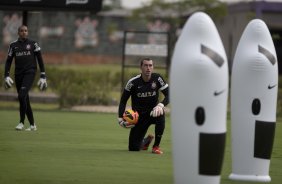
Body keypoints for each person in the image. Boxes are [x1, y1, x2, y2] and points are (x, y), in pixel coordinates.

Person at [118, 58, 169, 154]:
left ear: (153, 67)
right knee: (133, 148)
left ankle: (156, 146)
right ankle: (145, 142)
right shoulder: (133, 82)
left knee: (160, 112)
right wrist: (120, 119)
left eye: (150, 65)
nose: (148, 68)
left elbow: (169, 94)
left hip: (153, 113)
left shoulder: (157, 78)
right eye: (146, 65)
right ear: (141, 67)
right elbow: (123, 101)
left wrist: (160, 105)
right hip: (138, 117)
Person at [3, 25, 47, 131]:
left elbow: (40, 59)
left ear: (28, 32)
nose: (24, 32)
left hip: (30, 72)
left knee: (21, 95)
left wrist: (43, 75)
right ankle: (32, 125)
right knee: (24, 98)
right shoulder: (13, 45)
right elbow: (8, 61)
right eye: (22, 31)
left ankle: (21, 122)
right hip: (18, 74)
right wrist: (6, 75)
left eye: (26, 31)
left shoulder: (33, 44)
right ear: (18, 32)